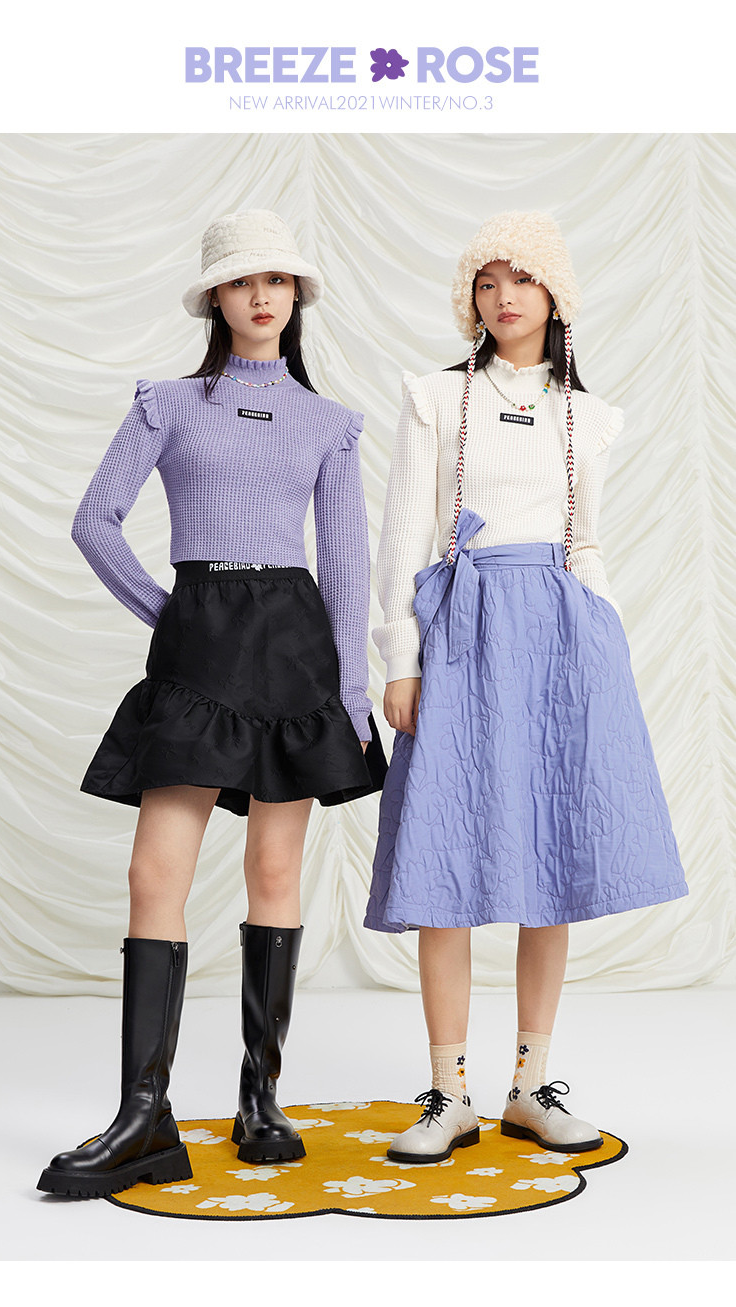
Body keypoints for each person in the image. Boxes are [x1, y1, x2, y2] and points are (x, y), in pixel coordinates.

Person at [37, 208, 386, 1199]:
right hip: (200, 643)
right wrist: (170, 612)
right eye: (243, 280)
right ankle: (143, 1115)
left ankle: (260, 1099)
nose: (262, 296)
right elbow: (94, 520)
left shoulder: (329, 423)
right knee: (156, 871)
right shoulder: (169, 404)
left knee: (275, 868)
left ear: (296, 296)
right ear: (216, 298)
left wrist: (353, 693)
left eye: (278, 280)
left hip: (294, 646)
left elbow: (347, 566)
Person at [364, 211, 688, 1164]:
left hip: (561, 637)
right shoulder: (436, 396)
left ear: (555, 295)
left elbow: (585, 542)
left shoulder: (588, 415)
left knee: (553, 855)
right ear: (470, 298)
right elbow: (404, 537)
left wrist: (605, 644)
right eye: (487, 281)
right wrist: (399, 658)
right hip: (461, 629)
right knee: (446, 861)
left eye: (522, 279)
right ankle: (448, 1091)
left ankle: (529, 1084)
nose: (503, 297)